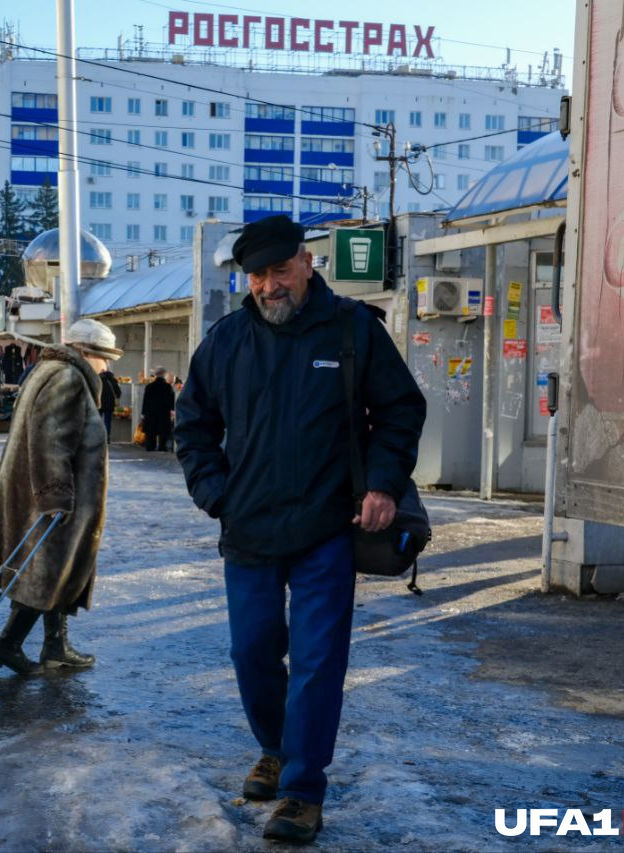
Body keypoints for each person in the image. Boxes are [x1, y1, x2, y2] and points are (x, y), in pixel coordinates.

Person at [174, 215, 425, 845]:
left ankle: (302, 791)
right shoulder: (226, 341)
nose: (267, 286)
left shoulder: (353, 330)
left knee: (316, 662)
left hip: (327, 527)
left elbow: (400, 410)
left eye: (278, 271)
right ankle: (277, 748)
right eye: (256, 275)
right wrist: (214, 493)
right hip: (249, 529)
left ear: (307, 262)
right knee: (252, 652)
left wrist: (383, 484)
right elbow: (193, 425)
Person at [0, 318, 122, 676]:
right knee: (45, 570)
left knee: (53, 568)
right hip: (51, 497)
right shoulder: (68, 378)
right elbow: (51, 441)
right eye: (103, 357)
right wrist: (56, 497)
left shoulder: (46, 371)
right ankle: (8, 646)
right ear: (84, 352)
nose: (106, 366)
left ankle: (55, 646)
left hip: (33, 491)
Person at [140, 367, 176, 452]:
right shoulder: (167, 387)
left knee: (151, 430)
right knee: (163, 430)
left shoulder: (149, 386)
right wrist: (172, 410)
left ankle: (150, 447)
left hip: (150, 412)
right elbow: (171, 400)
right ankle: (162, 447)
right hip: (163, 412)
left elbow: (145, 400)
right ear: (164, 375)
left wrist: (143, 412)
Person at [98, 365, 122, 442]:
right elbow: (118, 393)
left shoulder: (97, 380)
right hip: (109, 404)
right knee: (107, 421)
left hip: (99, 404)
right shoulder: (113, 380)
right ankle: (107, 438)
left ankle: (98, 438)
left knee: (97, 421)